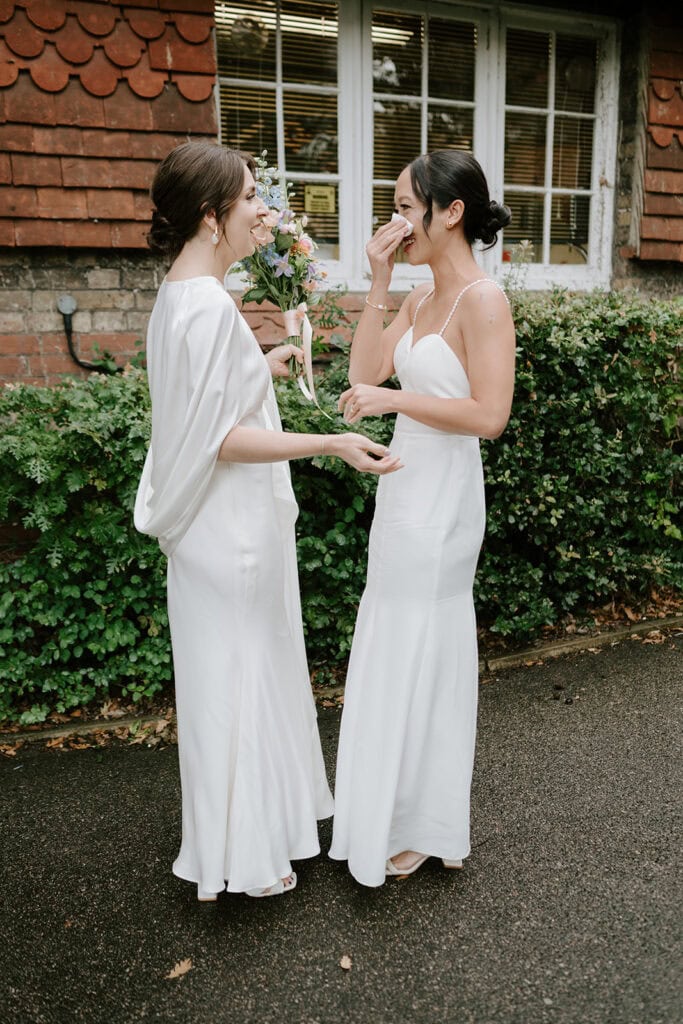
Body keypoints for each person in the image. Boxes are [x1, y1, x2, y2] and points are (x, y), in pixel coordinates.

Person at [134, 141, 401, 901]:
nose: (264, 211)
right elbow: (220, 439)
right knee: (238, 682)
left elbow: (203, 398)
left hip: (216, 530)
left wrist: (261, 363)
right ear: (213, 216)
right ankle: (244, 859)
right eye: (251, 197)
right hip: (232, 528)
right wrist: (329, 440)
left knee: (232, 675)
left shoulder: (182, 294)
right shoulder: (209, 307)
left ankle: (254, 834)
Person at [329, 150, 516, 887]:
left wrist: (398, 403)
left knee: (425, 648)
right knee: (391, 635)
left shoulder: (482, 300)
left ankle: (423, 821)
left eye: (406, 206)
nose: (396, 220)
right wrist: (378, 280)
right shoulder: (417, 295)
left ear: (450, 211)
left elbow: (488, 416)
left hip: (443, 498)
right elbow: (364, 374)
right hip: (402, 492)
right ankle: (390, 811)